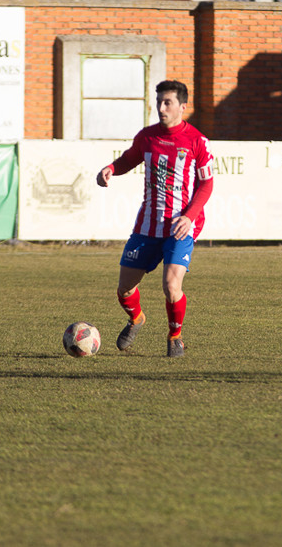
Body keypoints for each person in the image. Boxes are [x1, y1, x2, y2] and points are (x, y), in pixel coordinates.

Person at [96, 80, 214, 358]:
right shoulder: (147, 137)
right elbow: (129, 159)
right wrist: (111, 168)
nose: (161, 107)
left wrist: (189, 216)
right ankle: (136, 319)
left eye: (167, 102)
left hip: (180, 227)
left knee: (171, 286)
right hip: (147, 226)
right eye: (159, 101)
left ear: (182, 107)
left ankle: (175, 337)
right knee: (125, 289)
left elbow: (206, 184)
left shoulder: (197, 141)